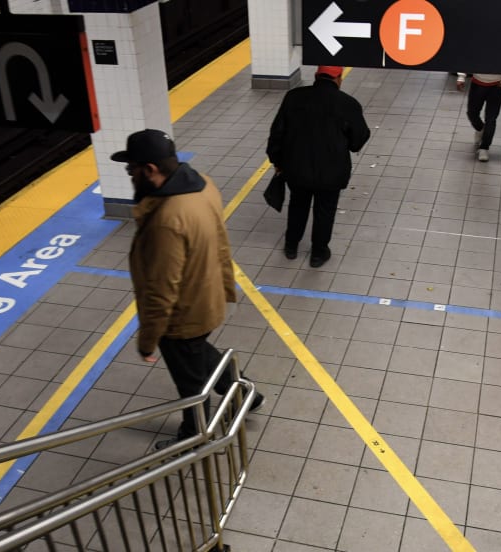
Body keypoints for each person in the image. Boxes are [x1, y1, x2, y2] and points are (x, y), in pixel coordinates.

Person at [111, 129, 264, 449]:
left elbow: (161, 291)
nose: (130, 176)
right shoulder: (202, 184)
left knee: (190, 383)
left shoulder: (167, 219)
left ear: (150, 169)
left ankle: (194, 437)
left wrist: (147, 341)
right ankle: (245, 394)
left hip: (182, 317)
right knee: (200, 353)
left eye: (131, 169)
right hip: (208, 294)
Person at [266, 65, 370, 268]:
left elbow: (277, 133)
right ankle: (318, 253)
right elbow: (357, 140)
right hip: (332, 172)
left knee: (298, 205)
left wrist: (276, 161)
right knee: (325, 211)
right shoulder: (348, 104)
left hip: (297, 169)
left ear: (316, 76)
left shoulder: (294, 97)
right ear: (339, 78)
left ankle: (291, 246)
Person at [456, 72, 501, 162]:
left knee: (491, 119)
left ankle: (484, 148)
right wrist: (461, 77)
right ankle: (481, 129)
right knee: (472, 113)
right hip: (477, 83)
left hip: (497, 86)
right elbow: (467, 63)